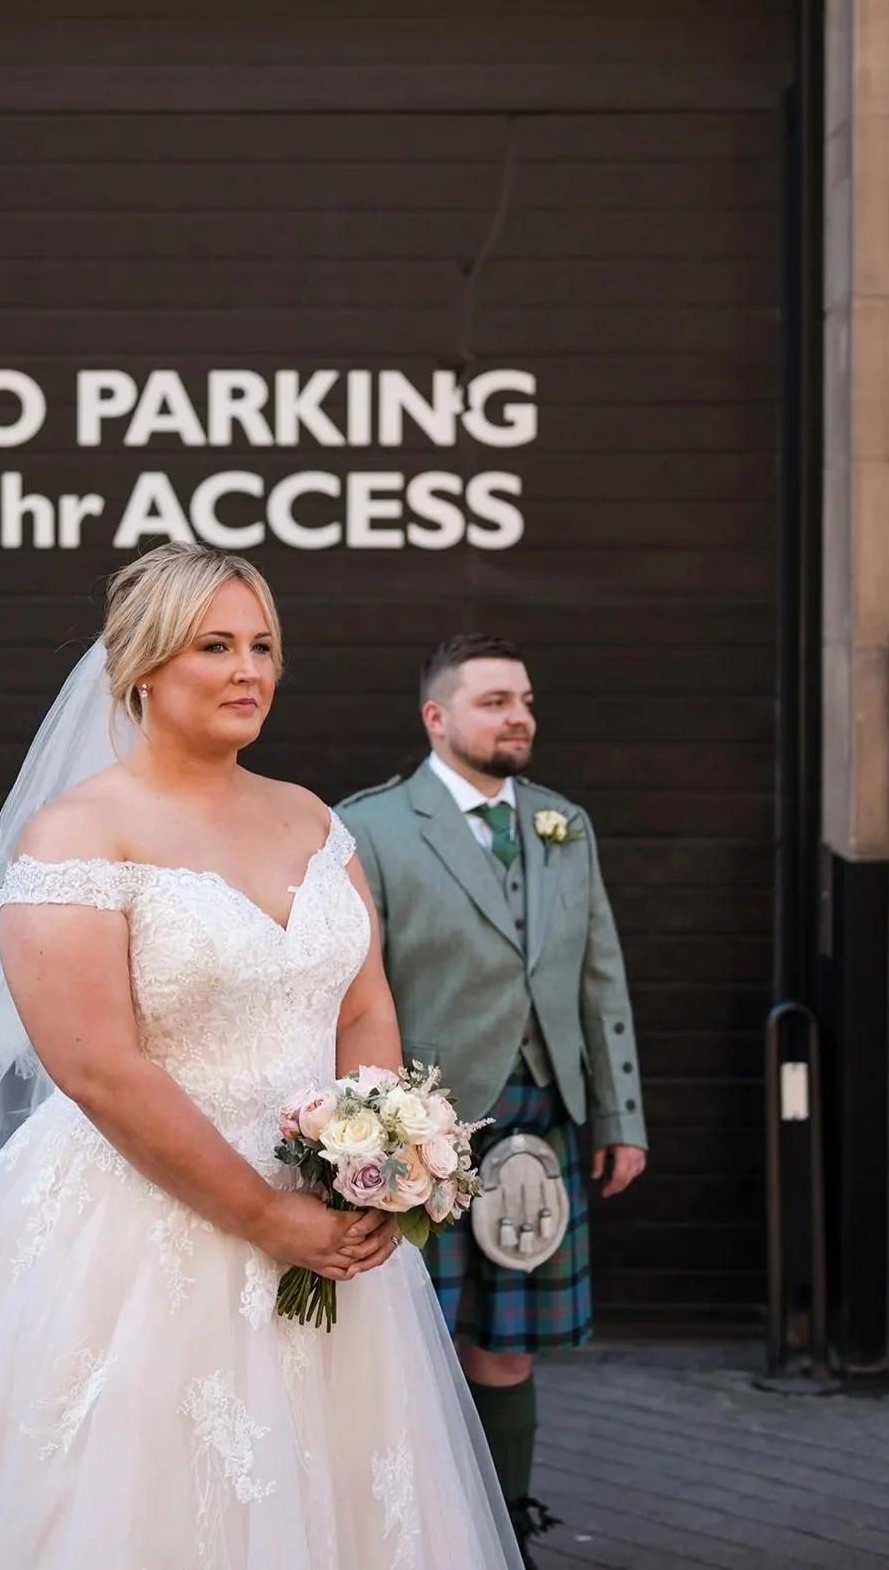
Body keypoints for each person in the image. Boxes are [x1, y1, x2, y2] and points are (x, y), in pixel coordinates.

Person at [0, 546, 521, 1570]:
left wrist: (377, 1159)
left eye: (264, 646)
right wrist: (267, 1214)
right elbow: (99, 1068)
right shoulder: (76, 836)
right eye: (216, 646)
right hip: (142, 1231)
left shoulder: (312, 819)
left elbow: (364, 1003)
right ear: (144, 666)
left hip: (325, 1214)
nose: (251, 671)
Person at [339, 635, 648, 1566]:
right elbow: (349, 990)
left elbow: (602, 978)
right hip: (425, 1120)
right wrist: (366, 1126)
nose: (518, 715)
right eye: (493, 701)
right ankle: (397, 1533)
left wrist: (620, 1116)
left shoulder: (564, 822)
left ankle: (507, 1522)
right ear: (436, 718)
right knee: (404, 1342)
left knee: (508, 1340)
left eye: (524, 699)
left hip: (544, 1117)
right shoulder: (373, 825)